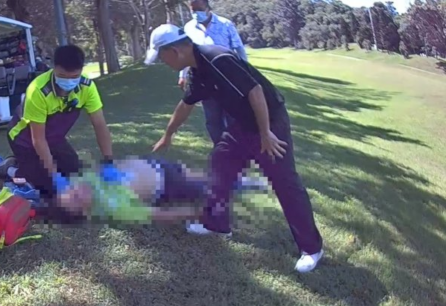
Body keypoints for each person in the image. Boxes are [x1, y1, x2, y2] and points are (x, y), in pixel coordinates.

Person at [144, 24, 324, 273]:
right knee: (220, 163)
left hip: (270, 122)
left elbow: (255, 91)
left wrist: (265, 133)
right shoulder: (197, 71)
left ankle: (312, 248)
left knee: (285, 182)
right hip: (242, 125)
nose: (163, 63)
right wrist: (168, 135)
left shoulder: (218, 59)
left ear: (174, 51)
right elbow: (186, 104)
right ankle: (216, 224)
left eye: (162, 57)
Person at [0, 44, 114, 220]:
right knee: (48, 189)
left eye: (74, 77)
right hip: (24, 139)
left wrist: (109, 161)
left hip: (54, 138)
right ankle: (11, 169)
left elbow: (100, 125)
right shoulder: (38, 90)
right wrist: (55, 178)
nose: (69, 82)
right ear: (53, 68)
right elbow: (38, 140)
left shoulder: (87, 87)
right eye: (63, 76)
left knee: (75, 173)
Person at [56, 156, 268, 225]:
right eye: (76, 198)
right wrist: (197, 213)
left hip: (156, 164)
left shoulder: (84, 180)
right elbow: (157, 214)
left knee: (200, 175)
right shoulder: (114, 207)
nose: (77, 190)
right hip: (168, 185)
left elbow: (99, 166)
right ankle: (244, 184)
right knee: (207, 187)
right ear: (86, 212)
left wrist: (107, 167)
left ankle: (238, 178)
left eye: (71, 189)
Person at [179, 0, 247, 146]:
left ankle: (237, 148)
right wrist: (182, 75)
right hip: (204, 80)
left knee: (233, 117)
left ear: (208, 7)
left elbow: (239, 49)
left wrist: (245, 72)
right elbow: (186, 54)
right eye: (193, 10)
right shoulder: (189, 28)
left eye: (199, 9)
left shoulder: (225, 24)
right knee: (213, 119)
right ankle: (221, 149)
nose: (196, 13)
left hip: (228, 79)